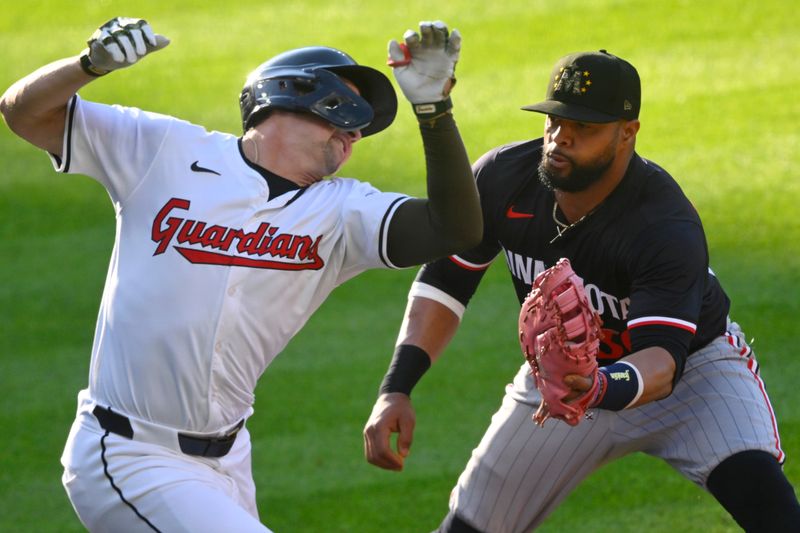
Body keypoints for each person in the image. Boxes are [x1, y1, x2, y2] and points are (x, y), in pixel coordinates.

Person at [1, 16, 481, 532]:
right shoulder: (164, 150)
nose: (355, 132)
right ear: (291, 92)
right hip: (128, 454)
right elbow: (24, 112)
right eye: (346, 110)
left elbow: (454, 229)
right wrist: (87, 66)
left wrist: (434, 110)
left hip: (228, 460)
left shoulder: (344, 212)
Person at [363, 49, 800, 532]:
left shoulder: (663, 225)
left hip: (695, 376)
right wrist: (396, 387)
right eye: (555, 120)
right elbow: (447, 281)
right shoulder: (505, 177)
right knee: (469, 526)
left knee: (773, 511)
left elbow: (662, 362)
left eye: (585, 128)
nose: (560, 138)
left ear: (627, 132)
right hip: (563, 379)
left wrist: (599, 387)